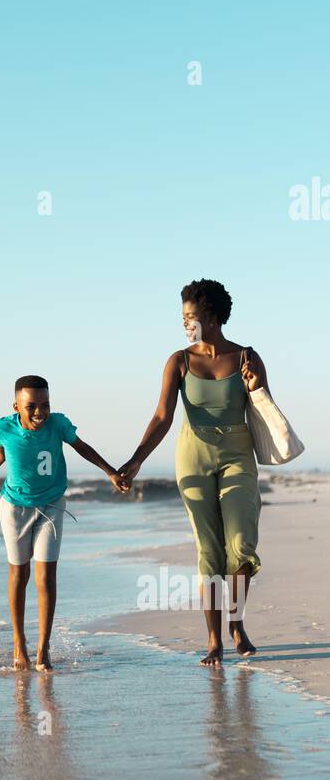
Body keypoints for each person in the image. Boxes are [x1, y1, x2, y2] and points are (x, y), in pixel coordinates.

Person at [117, 279, 266, 667]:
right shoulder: (179, 361)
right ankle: (215, 638)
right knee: (208, 550)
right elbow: (163, 416)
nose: (185, 324)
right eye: (183, 318)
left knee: (241, 545)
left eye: (191, 317)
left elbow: (267, 410)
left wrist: (256, 386)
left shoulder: (247, 356)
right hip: (193, 456)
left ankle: (237, 622)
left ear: (212, 317)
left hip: (238, 454)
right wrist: (136, 460)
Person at [0, 375, 126, 671]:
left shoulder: (58, 424)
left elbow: (82, 447)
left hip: (52, 505)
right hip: (14, 508)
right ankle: (19, 645)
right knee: (19, 575)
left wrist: (110, 471)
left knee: (46, 578)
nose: (39, 412)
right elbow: (0, 452)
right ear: (16, 406)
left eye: (44, 405)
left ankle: (42, 649)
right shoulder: (4, 427)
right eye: (31, 406)